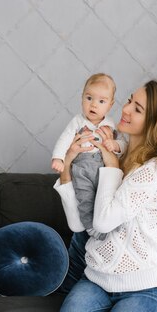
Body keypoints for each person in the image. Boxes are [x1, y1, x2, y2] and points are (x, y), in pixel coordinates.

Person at [53, 80, 157, 312]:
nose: (126, 109)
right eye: (130, 100)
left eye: (138, 108)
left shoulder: (155, 170)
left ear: (155, 122)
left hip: (143, 291)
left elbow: (103, 220)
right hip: (96, 280)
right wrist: (67, 167)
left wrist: (111, 166)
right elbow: (82, 226)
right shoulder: (114, 151)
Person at [51, 73, 125, 241]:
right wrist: (59, 158)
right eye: (89, 98)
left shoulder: (111, 124)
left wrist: (115, 145)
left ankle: (111, 226)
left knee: (105, 197)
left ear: (110, 105)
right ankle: (91, 226)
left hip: (103, 168)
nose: (93, 105)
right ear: (82, 98)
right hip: (82, 168)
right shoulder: (77, 122)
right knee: (85, 198)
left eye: (101, 101)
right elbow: (64, 139)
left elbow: (123, 144)